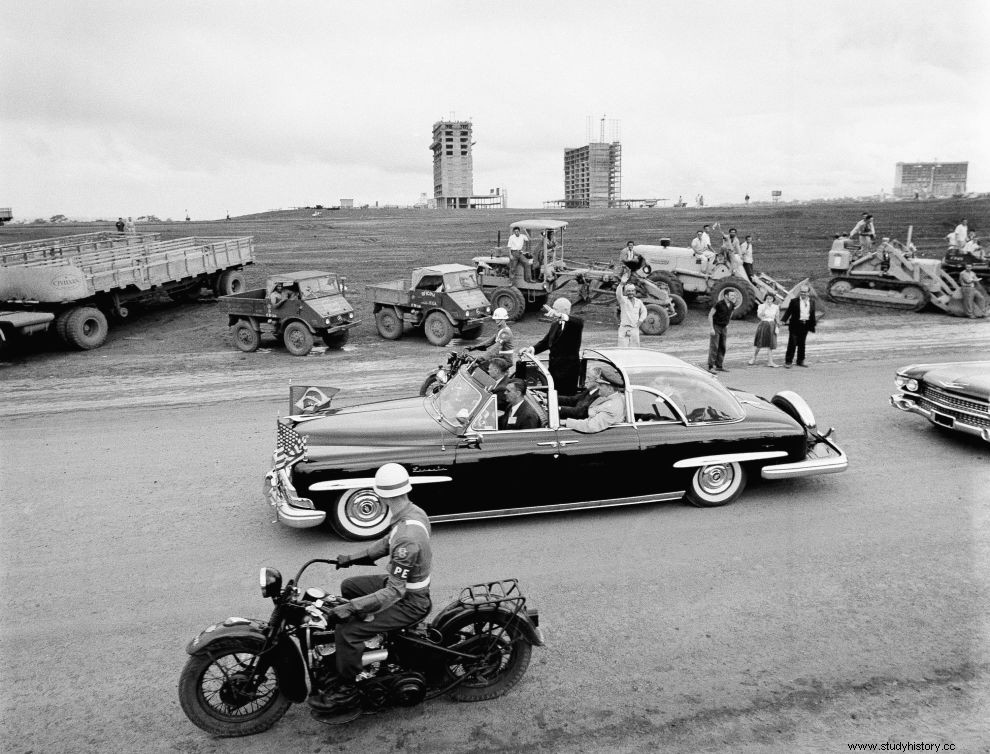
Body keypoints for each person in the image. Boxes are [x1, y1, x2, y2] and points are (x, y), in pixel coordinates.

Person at [308, 463, 432, 711]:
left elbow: (394, 591)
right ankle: (364, 649)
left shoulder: (408, 537)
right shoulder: (412, 513)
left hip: (411, 601)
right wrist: (352, 558)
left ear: (382, 496)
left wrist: (353, 608)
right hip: (403, 588)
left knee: (348, 631)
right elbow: (387, 542)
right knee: (350, 585)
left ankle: (347, 689)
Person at [522, 297, 584, 394]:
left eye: (555, 309)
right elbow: (546, 342)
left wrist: (560, 315)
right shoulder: (555, 324)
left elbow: (577, 321)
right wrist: (531, 349)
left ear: (565, 310)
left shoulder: (576, 324)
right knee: (553, 395)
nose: (553, 312)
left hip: (568, 372)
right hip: (554, 370)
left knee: (567, 397)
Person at [561, 366, 625, 433]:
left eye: (601, 385)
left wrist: (566, 422)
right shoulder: (611, 398)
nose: (598, 387)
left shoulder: (611, 407)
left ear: (610, 389)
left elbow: (590, 426)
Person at [781, 284, 817, 367]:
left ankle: (800, 361)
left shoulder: (812, 302)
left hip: (805, 325)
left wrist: (812, 324)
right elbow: (788, 312)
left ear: (808, 293)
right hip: (795, 325)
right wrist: (783, 320)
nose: (803, 293)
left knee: (802, 344)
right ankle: (788, 362)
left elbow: (812, 314)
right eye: (801, 292)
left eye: (805, 292)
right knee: (792, 343)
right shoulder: (794, 301)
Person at [707, 288, 740, 374]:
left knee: (722, 346)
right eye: (732, 295)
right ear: (726, 296)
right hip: (716, 326)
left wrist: (727, 323)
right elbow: (710, 315)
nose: (733, 296)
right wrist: (711, 328)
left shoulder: (732, 304)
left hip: (724, 327)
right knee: (714, 346)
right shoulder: (719, 304)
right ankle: (710, 366)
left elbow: (731, 313)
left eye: (734, 295)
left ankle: (719, 366)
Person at [749, 293, 780, 367]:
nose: (769, 300)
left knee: (770, 344)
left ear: (773, 299)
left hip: (772, 325)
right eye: (767, 298)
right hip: (763, 324)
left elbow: (777, 318)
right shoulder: (761, 306)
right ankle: (753, 358)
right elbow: (759, 316)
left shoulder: (776, 307)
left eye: (771, 298)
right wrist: (765, 308)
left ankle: (770, 362)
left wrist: (777, 326)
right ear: (765, 299)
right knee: (759, 343)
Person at [616, 282, 647, 348]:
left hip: (634, 328)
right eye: (629, 291)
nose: (631, 292)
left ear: (635, 292)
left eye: (632, 291)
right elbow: (618, 294)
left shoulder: (638, 301)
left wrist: (640, 321)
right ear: (626, 292)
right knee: (622, 348)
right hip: (624, 328)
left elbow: (644, 311)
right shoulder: (623, 300)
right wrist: (621, 284)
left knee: (635, 349)